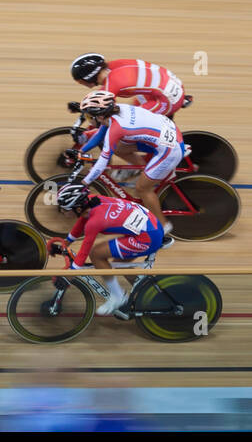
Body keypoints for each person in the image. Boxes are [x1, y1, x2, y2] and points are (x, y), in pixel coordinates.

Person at [47, 182, 172, 316]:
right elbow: (82, 220)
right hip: (152, 226)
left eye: (64, 209)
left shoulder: (95, 222)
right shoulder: (92, 200)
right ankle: (147, 291)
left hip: (147, 237)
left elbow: (83, 253)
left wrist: (70, 275)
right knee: (120, 265)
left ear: (77, 208)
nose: (61, 211)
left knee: (96, 254)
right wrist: (67, 242)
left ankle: (118, 296)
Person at [76, 90, 183, 232]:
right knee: (119, 148)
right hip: (169, 134)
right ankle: (147, 171)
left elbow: (102, 161)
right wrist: (81, 151)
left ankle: (163, 227)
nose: (89, 119)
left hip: (171, 149)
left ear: (100, 115)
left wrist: (84, 183)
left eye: (90, 116)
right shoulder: (116, 110)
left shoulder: (116, 128)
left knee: (142, 189)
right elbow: (100, 134)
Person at [70, 53, 188, 118]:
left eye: (81, 82)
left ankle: (164, 150)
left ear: (89, 76)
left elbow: (104, 107)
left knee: (129, 121)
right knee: (131, 110)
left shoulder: (113, 81)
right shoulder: (110, 68)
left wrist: (83, 109)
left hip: (167, 99)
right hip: (166, 86)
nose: (82, 84)